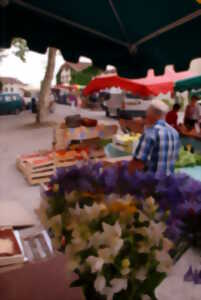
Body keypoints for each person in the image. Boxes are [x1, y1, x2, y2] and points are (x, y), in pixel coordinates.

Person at [129, 99, 180, 175]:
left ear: (149, 115)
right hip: (170, 182)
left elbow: (137, 164)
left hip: (152, 183)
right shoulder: (174, 132)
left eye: (147, 113)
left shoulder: (150, 133)